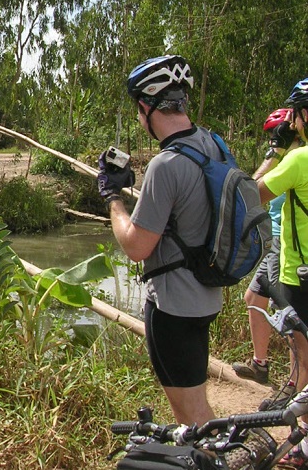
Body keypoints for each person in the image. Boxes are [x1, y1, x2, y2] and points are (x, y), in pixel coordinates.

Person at [97, 55, 226, 426]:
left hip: (173, 307)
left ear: (146, 106)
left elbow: (136, 247)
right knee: (193, 400)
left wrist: (112, 197)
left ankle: (212, 461)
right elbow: (186, 212)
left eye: (139, 112)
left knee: (193, 414)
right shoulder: (211, 144)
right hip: (206, 294)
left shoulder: (165, 165)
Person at [256, 78, 308, 468]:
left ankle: (304, 443)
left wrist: (274, 154)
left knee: (304, 351)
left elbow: (252, 195)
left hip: (299, 270)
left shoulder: (299, 160)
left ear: (303, 116)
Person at [232, 109, 295, 392]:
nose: (271, 141)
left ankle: (295, 383)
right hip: (275, 245)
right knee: (253, 297)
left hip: (288, 248)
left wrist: (274, 155)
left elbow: (249, 194)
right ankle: (260, 364)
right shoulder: (284, 162)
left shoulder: (292, 162)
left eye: (275, 135)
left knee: (291, 316)